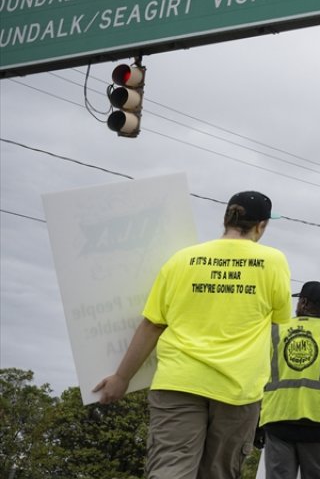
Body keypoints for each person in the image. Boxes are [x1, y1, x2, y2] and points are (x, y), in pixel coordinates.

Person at [93, 190, 292, 479]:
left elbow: (152, 325)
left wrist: (121, 378)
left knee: (169, 468)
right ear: (261, 225)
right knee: (219, 472)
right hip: (237, 390)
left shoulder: (182, 259)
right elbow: (280, 319)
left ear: (226, 219)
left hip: (178, 382)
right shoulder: (273, 262)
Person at [259, 281, 320, 479]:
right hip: (316, 426)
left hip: (277, 421)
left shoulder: (274, 331)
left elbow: (257, 375)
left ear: (303, 303)